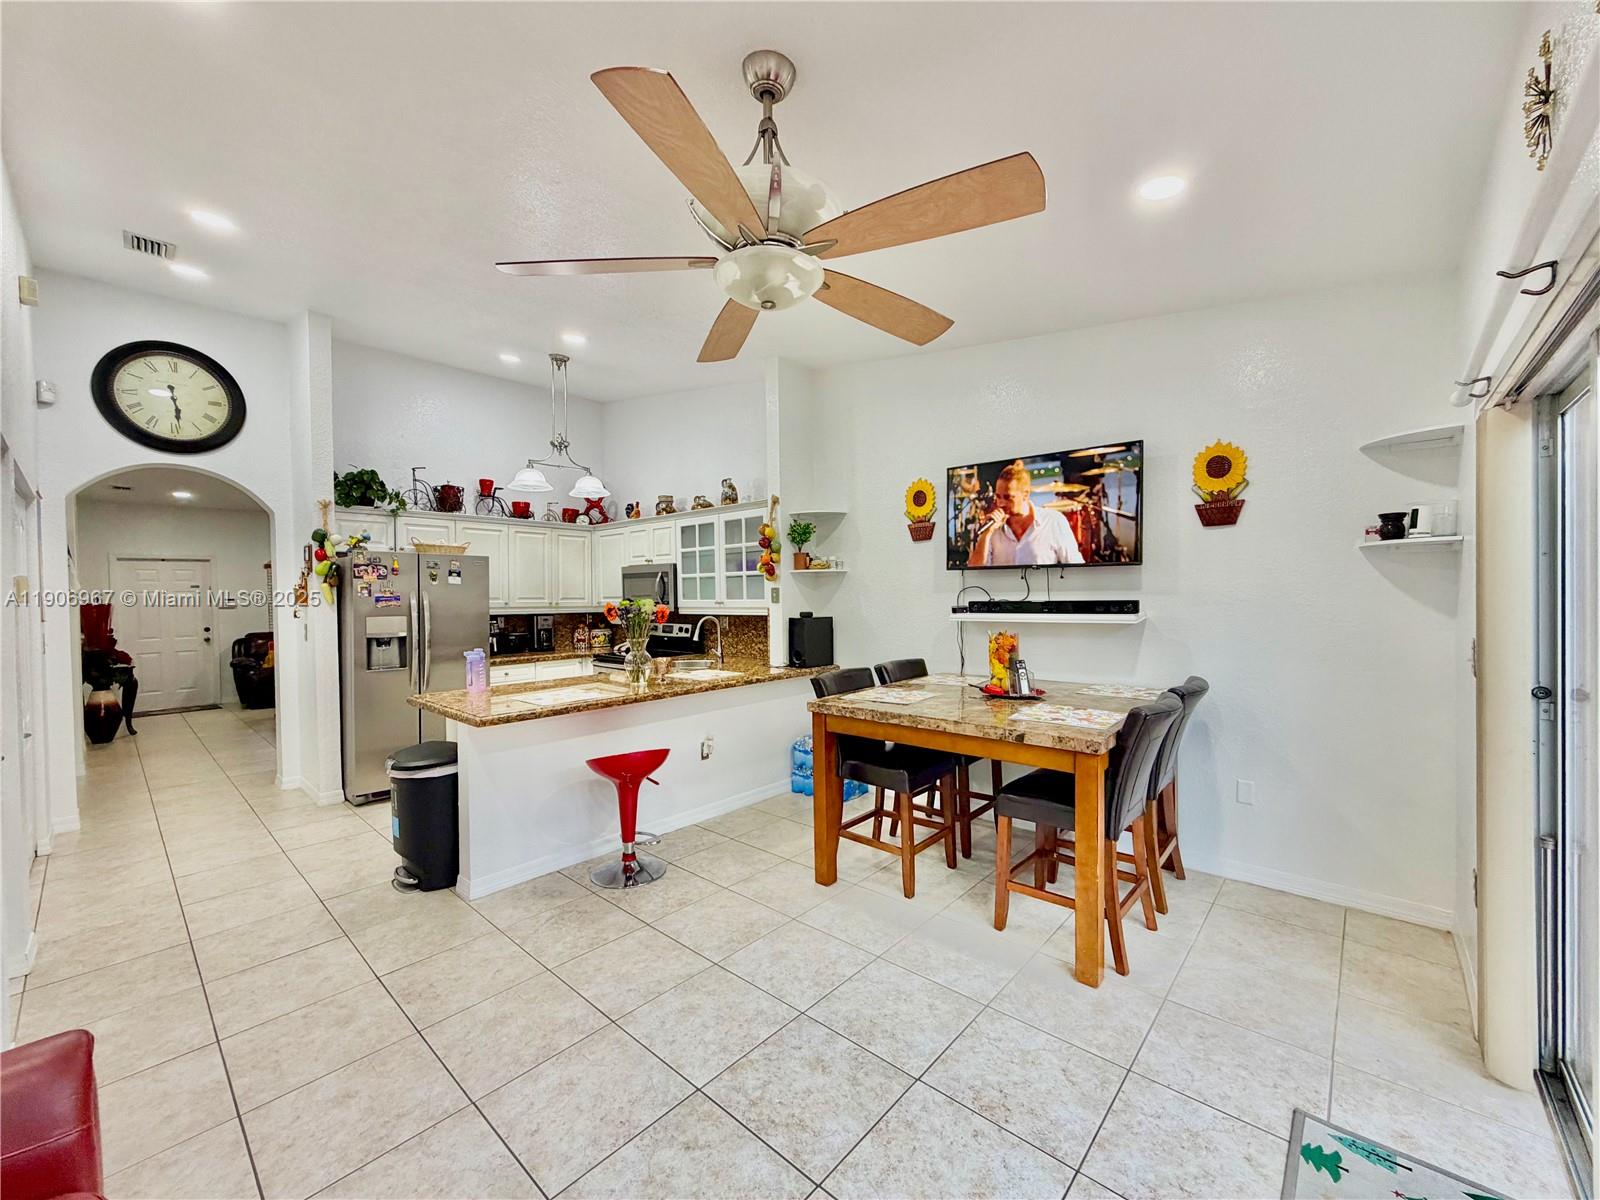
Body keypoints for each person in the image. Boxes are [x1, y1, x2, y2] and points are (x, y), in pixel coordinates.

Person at [967, 461, 1085, 567]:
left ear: (1025, 494)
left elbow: (1076, 568)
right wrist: (986, 534)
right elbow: (974, 572)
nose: (1001, 503)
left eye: (1008, 497)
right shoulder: (992, 528)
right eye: (998, 497)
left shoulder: (1054, 522)